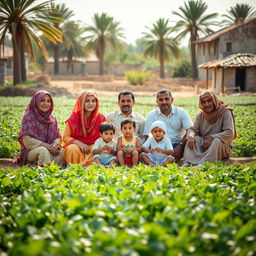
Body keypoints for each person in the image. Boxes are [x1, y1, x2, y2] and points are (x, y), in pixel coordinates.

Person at [183, 91, 236, 166]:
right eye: (203, 102)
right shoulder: (201, 115)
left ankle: (204, 163)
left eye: (209, 101)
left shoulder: (225, 112)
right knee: (194, 139)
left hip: (221, 145)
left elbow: (229, 133)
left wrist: (212, 137)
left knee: (216, 141)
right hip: (204, 145)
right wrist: (191, 137)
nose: (206, 104)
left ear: (214, 101)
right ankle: (188, 162)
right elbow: (193, 130)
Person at [15, 90, 65, 166]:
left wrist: (55, 145)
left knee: (63, 152)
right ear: (36, 102)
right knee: (43, 151)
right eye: (42, 100)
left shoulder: (52, 118)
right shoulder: (28, 117)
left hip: (50, 149)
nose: (46, 104)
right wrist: (47, 146)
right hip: (32, 151)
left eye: (48, 101)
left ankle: (49, 166)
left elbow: (57, 136)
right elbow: (27, 141)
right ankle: (44, 171)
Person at [143, 88, 192, 159]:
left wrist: (180, 145)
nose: (164, 102)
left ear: (172, 100)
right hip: (158, 146)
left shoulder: (181, 112)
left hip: (177, 144)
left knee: (192, 141)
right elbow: (147, 135)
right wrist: (151, 150)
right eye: (161, 100)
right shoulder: (152, 115)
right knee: (143, 155)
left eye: (166, 99)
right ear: (157, 102)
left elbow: (189, 130)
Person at [63, 90, 106, 166]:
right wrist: (78, 143)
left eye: (93, 101)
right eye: (87, 101)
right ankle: (74, 166)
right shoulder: (74, 117)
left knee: (100, 150)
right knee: (71, 149)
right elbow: (66, 137)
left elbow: (104, 137)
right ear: (82, 102)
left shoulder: (101, 118)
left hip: (93, 147)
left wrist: (94, 146)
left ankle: (88, 165)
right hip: (78, 147)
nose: (91, 104)